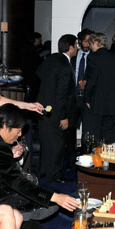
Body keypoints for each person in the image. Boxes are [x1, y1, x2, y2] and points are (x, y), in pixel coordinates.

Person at [36, 34, 78, 182]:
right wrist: (63, 117)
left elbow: (39, 73)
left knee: (46, 143)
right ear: (71, 47)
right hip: (55, 111)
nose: (77, 48)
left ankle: (43, 173)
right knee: (56, 144)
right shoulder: (65, 66)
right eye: (76, 45)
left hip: (42, 108)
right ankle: (54, 176)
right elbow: (62, 95)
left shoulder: (51, 58)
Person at [84, 32, 115, 144]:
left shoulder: (92, 57)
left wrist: (87, 98)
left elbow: (91, 81)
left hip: (98, 102)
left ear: (96, 43)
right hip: (114, 103)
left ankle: (99, 155)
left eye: (90, 44)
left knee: (97, 136)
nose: (90, 47)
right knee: (111, 136)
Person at [68, 28, 95, 163]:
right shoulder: (72, 56)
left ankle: (86, 158)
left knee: (88, 131)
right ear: (79, 41)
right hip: (73, 98)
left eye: (90, 41)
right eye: (85, 41)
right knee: (70, 130)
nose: (87, 44)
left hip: (88, 99)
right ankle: (70, 159)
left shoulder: (94, 57)